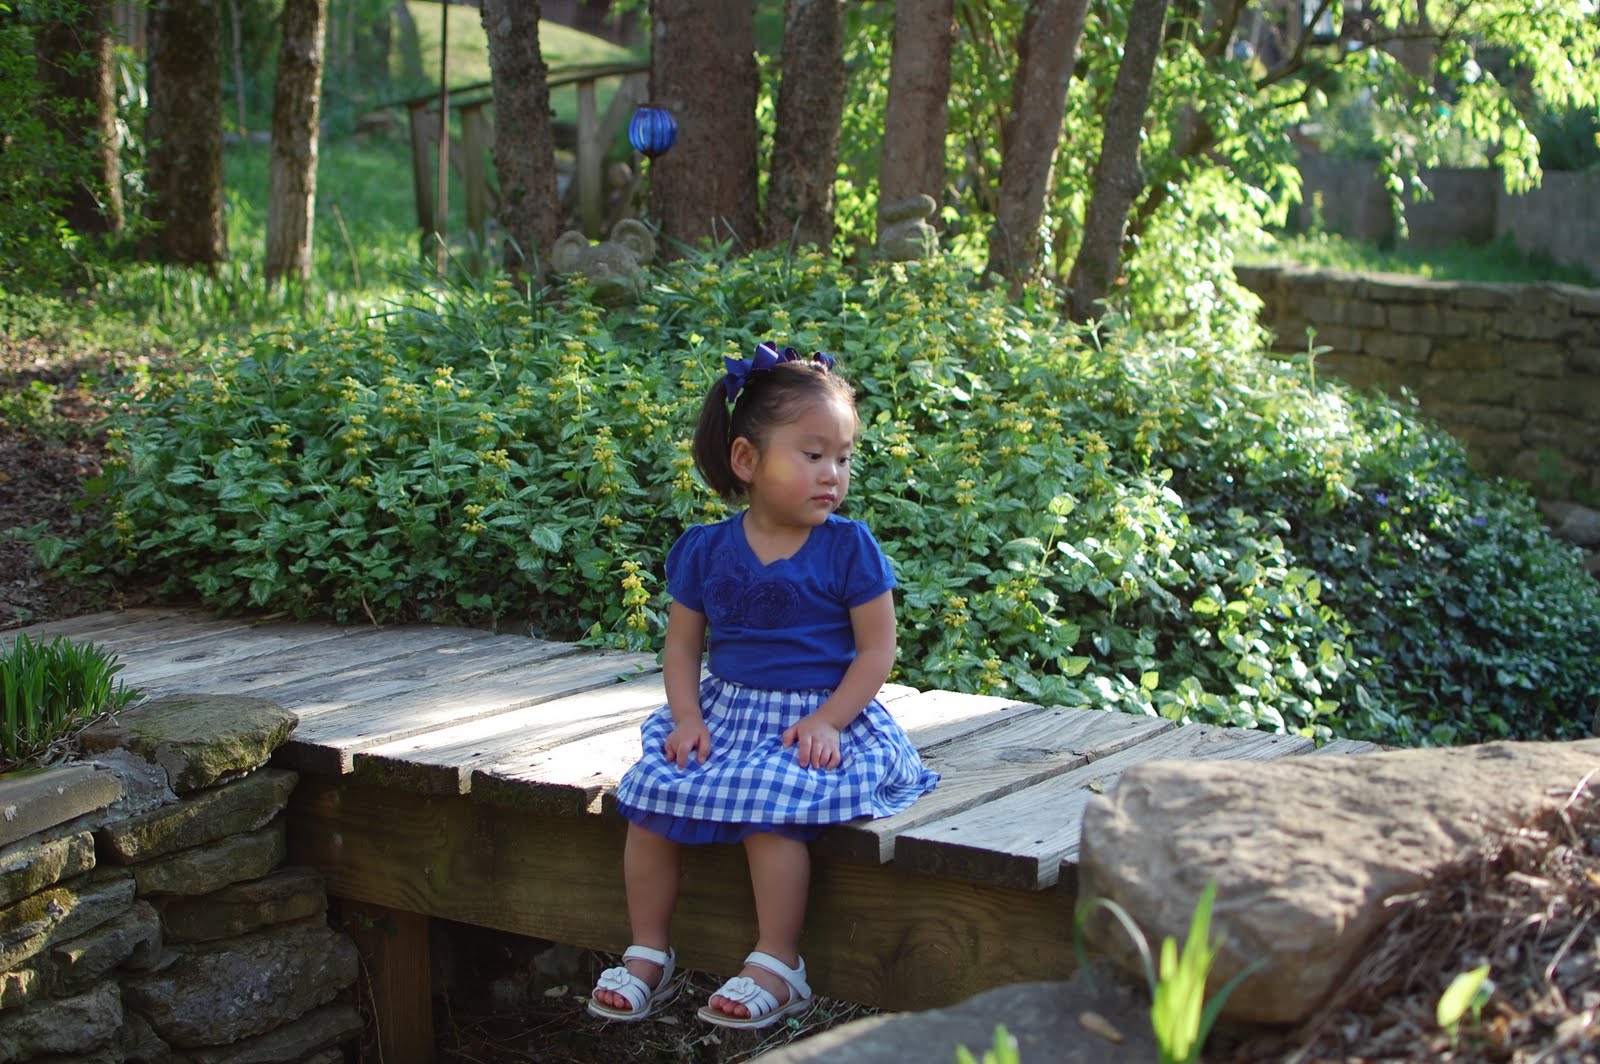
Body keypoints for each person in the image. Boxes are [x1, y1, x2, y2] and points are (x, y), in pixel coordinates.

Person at [587, 341, 940, 1029]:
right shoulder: (706, 550)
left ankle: (778, 963)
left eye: (843, 456)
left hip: (819, 720)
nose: (832, 474)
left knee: (773, 805)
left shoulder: (848, 547)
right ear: (747, 460)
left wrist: (832, 721)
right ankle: (647, 952)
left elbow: (877, 650)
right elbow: (684, 648)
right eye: (812, 455)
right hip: (726, 714)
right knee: (651, 793)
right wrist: (686, 718)